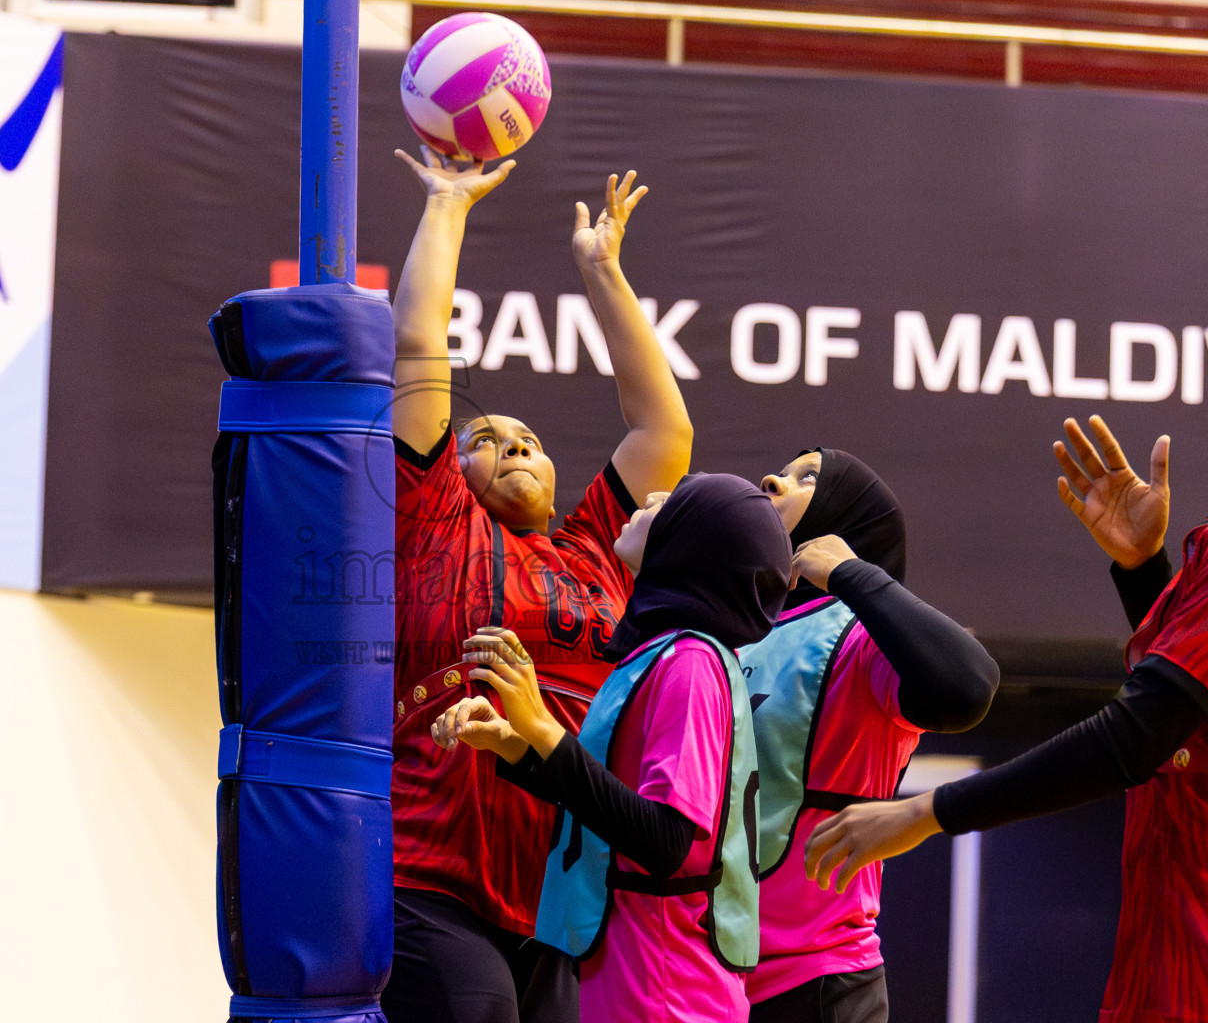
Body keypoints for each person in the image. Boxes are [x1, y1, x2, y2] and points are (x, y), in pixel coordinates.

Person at [386, 149, 693, 1023]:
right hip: (433, 879)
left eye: (529, 438)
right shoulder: (435, 518)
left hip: (556, 908)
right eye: (487, 438)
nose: (514, 444)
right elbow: (418, 345)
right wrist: (449, 202)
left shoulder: (598, 547)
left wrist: (602, 271)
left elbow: (663, 426)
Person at [803, 415, 1208, 1023]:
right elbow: (1191, 714)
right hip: (1168, 951)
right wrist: (1145, 575)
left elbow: (1137, 736)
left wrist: (926, 811)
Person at [432, 472, 794, 1023]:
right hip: (632, 969)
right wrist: (516, 745)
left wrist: (546, 731)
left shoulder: (691, 665)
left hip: (666, 987)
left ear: (690, 544)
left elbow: (666, 841)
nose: (650, 497)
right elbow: (611, 804)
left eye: (670, 503)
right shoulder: (665, 655)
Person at [742, 448, 1000, 1023]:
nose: (771, 480)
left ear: (845, 521)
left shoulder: (864, 645)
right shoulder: (728, 633)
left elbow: (970, 686)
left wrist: (850, 573)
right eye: (783, 471)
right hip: (707, 975)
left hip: (815, 979)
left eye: (806, 477)